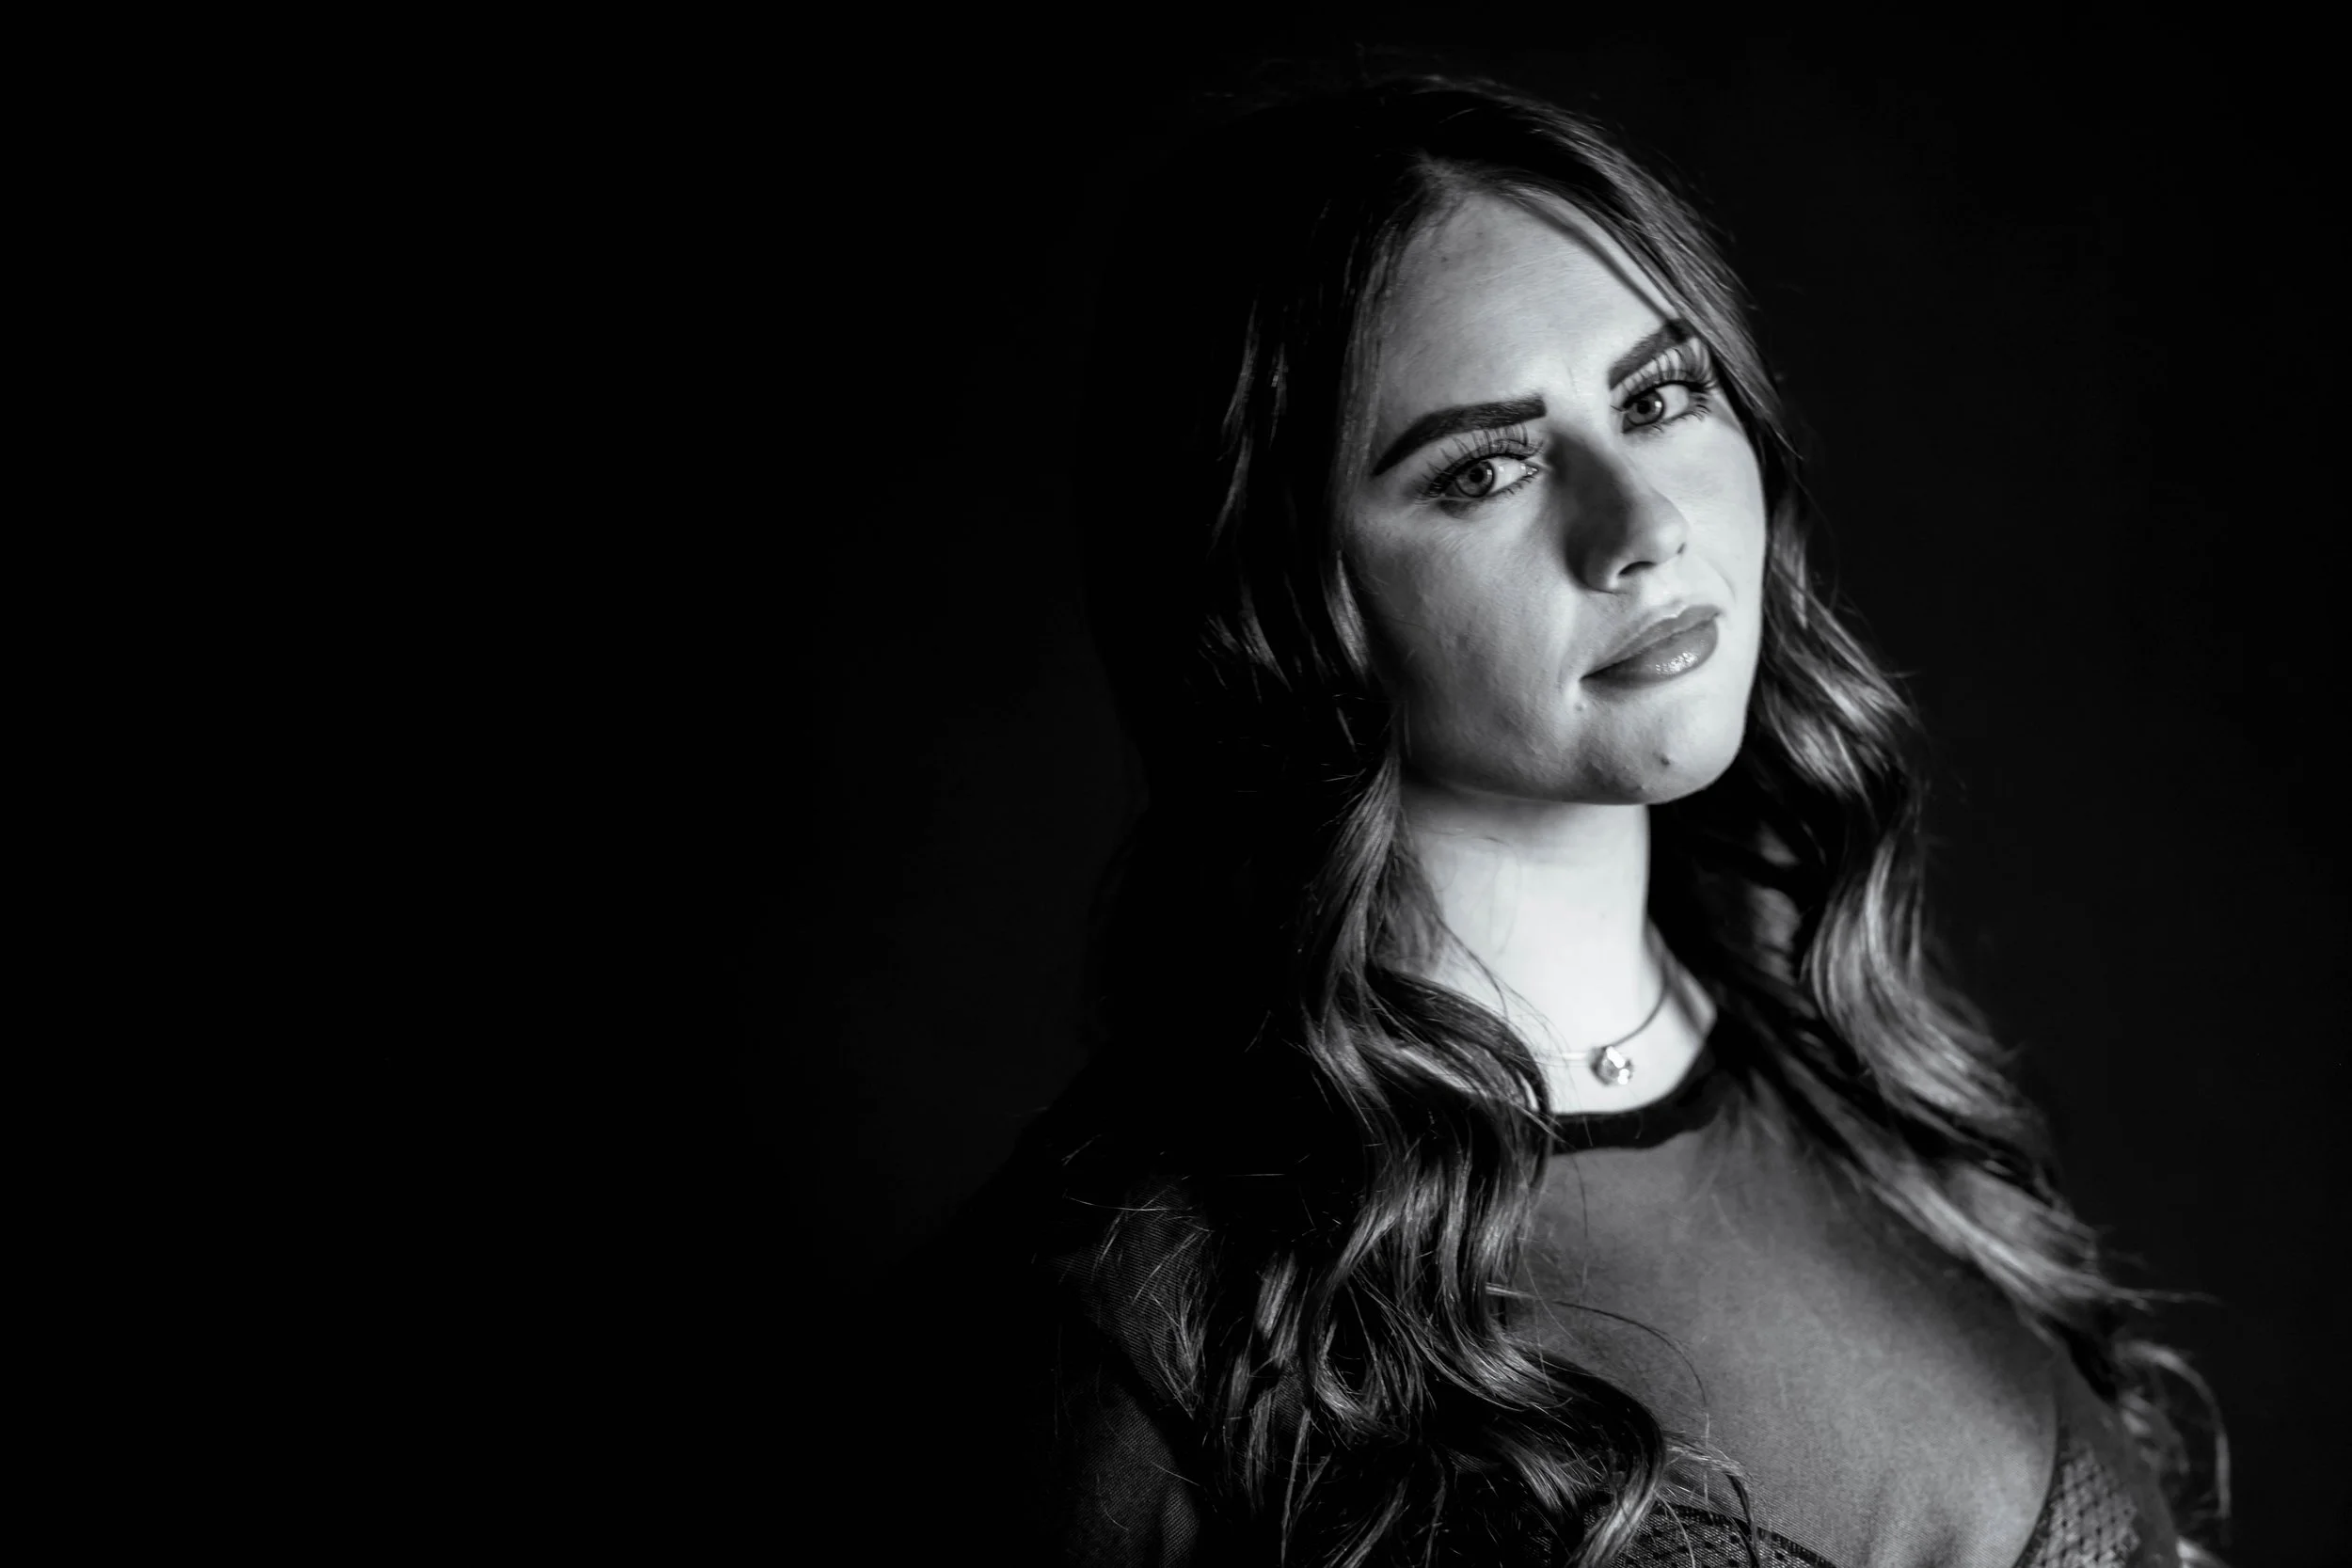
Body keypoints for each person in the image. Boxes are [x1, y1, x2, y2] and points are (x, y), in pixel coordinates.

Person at [884, 76, 2224, 1566]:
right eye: (1485, 470)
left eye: (1660, 398)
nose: (1641, 523)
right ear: (1276, 602)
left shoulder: (1855, 1074)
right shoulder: (1144, 1321)